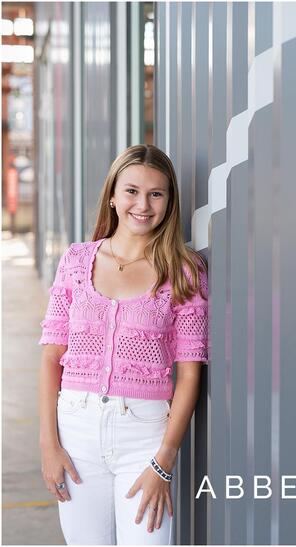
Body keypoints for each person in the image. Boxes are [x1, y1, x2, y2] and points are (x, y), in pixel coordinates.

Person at [38, 144, 209, 544]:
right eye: (132, 191)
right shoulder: (77, 261)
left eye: (156, 193)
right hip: (75, 430)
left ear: (169, 202)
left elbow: (189, 373)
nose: (143, 205)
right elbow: (51, 358)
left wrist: (163, 461)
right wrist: (49, 445)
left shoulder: (184, 271)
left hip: (145, 436)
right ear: (113, 196)